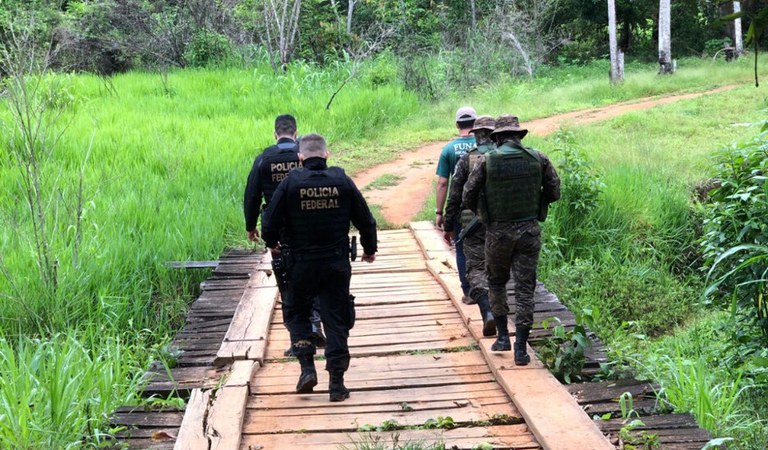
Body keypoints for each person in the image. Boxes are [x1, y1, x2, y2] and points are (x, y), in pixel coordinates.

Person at [261, 133, 377, 402]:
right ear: (326, 155)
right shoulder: (342, 181)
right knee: (336, 320)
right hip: (335, 264)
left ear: (300, 158)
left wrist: (272, 243)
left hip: (299, 265)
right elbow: (366, 221)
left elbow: (269, 222)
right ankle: (336, 384)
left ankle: (306, 369)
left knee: (297, 314)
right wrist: (370, 249)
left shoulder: (290, 183)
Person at [462, 114, 560, 365]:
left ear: (498, 137)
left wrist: (485, 214)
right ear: (518, 135)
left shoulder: (486, 161)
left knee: (496, 283)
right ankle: (521, 350)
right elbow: (554, 191)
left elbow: (468, 195)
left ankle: (503, 337)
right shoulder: (538, 158)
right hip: (529, 231)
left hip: (497, 234)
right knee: (525, 289)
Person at [243, 114, 325, 353]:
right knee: (313, 275)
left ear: (275, 134)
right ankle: (315, 322)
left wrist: (251, 226)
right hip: (307, 225)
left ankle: (298, 341)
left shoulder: (264, 159)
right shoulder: (305, 155)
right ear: (296, 132)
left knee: (288, 281)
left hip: (278, 231)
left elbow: (252, 195)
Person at [443, 115, 497, 336]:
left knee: (475, 267)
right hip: (501, 221)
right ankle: (502, 320)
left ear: (476, 135)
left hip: (471, 222)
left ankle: (487, 311)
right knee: (498, 267)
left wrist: (448, 224)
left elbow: (455, 195)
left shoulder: (466, 159)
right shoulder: (503, 158)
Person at [436, 106, 477, 299]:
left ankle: (468, 292)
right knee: (485, 247)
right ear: (475, 124)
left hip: (462, 209)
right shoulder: (485, 145)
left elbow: (443, 183)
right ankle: (487, 292)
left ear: (457, 124)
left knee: (461, 248)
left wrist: (439, 213)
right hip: (484, 208)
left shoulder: (449, 149)